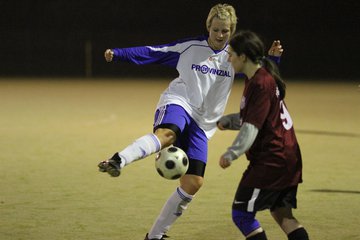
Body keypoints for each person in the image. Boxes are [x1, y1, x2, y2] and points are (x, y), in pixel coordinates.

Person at [98, 4, 282, 240]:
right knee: (168, 134)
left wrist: (274, 59)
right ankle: (118, 160)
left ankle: (154, 236)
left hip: (203, 124)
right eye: (215, 29)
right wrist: (119, 53)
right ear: (208, 27)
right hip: (180, 102)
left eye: (225, 31)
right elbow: (153, 51)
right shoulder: (190, 47)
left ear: (232, 31)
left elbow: (261, 76)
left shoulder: (235, 57)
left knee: (194, 182)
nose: (219, 35)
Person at [217, 30, 309, 240]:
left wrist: (231, 153)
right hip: (288, 157)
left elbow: (252, 127)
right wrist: (228, 121)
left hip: (272, 160)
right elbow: (259, 116)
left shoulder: (259, 83)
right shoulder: (260, 76)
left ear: (243, 57)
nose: (228, 58)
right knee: (282, 214)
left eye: (231, 53)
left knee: (241, 214)